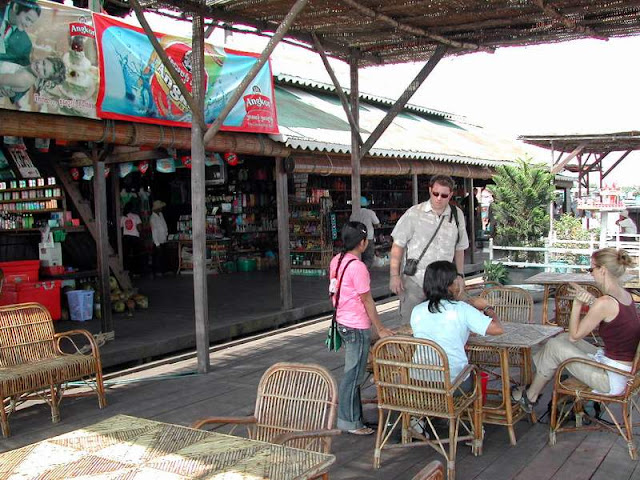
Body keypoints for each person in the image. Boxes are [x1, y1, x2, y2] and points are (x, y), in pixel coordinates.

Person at [512, 248, 640, 413]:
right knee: (561, 338)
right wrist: (592, 301)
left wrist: (578, 304)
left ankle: (531, 395)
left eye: (591, 269)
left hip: (611, 379)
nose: (590, 274)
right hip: (623, 371)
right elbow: (611, 314)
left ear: (603, 270)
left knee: (555, 345)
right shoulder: (624, 296)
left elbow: (575, 336)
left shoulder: (605, 302)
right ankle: (540, 382)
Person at [330, 221, 394, 435]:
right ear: (363, 243)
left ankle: (354, 418)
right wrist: (380, 327)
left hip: (342, 322)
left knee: (353, 372)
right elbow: (367, 301)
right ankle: (349, 422)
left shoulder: (337, 260)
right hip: (356, 326)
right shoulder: (358, 267)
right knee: (353, 375)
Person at [411, 261, 504, 391]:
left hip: (419, 382)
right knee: (476, 373)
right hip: (452, 384)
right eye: (456, 279)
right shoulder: (461, 309)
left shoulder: (417, 310)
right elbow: (498, 329)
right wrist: (488, 307)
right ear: (449, 285)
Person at [389, 174, 469, 324]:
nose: (439, 198)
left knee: (444, 324)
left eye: (444, 195)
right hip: (416, 280)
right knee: (410, 324)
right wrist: (394, 275)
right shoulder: (414, 213)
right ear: (430, 190)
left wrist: (460, 275)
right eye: (436, 193)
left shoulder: (457, 215)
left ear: (450, 195)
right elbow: (397, 245)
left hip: (444, 282)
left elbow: (460, 248)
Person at [0, 57, 66, 101]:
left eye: (44, 71)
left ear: (45, 78)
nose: (39, 66)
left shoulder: (25, 78)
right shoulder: (29, 73)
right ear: (44, 58)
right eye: (43, 63)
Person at [0, 1, 41, 66]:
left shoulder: (26, 44)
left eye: (32, 22)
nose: (28, 25)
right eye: (27, 19)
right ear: (16, 7)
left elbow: (22, 68)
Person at [349, 196, 380, 269]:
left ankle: (359, 270)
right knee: (368, 256)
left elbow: (350, 224)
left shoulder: (354, 213)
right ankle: (364, 271)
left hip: (357, 237)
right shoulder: (370, 212)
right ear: (366, 204)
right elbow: (377, 223)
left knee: (359, 255)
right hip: (368, 237)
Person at [120, 202, 143, 276]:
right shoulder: (136, 216)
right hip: (135, 238)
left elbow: (121, 228)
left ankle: (127, 271)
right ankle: (136, 272)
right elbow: (139, 229)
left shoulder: (123, 217)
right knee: (136, 255)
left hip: (126, 238)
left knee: (126, 256)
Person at [150, 200, 169, 276]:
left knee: (163, 256)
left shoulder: (161, 214)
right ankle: (155, 272)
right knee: (157, 256)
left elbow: (164, 224)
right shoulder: (152, 218)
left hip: (163, 239)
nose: (161, 208)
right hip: (157, 241)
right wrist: (157, 244)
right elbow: (154, 231)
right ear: (157, 208)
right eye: (160, 207)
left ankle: (162, 270)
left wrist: (166, 233)